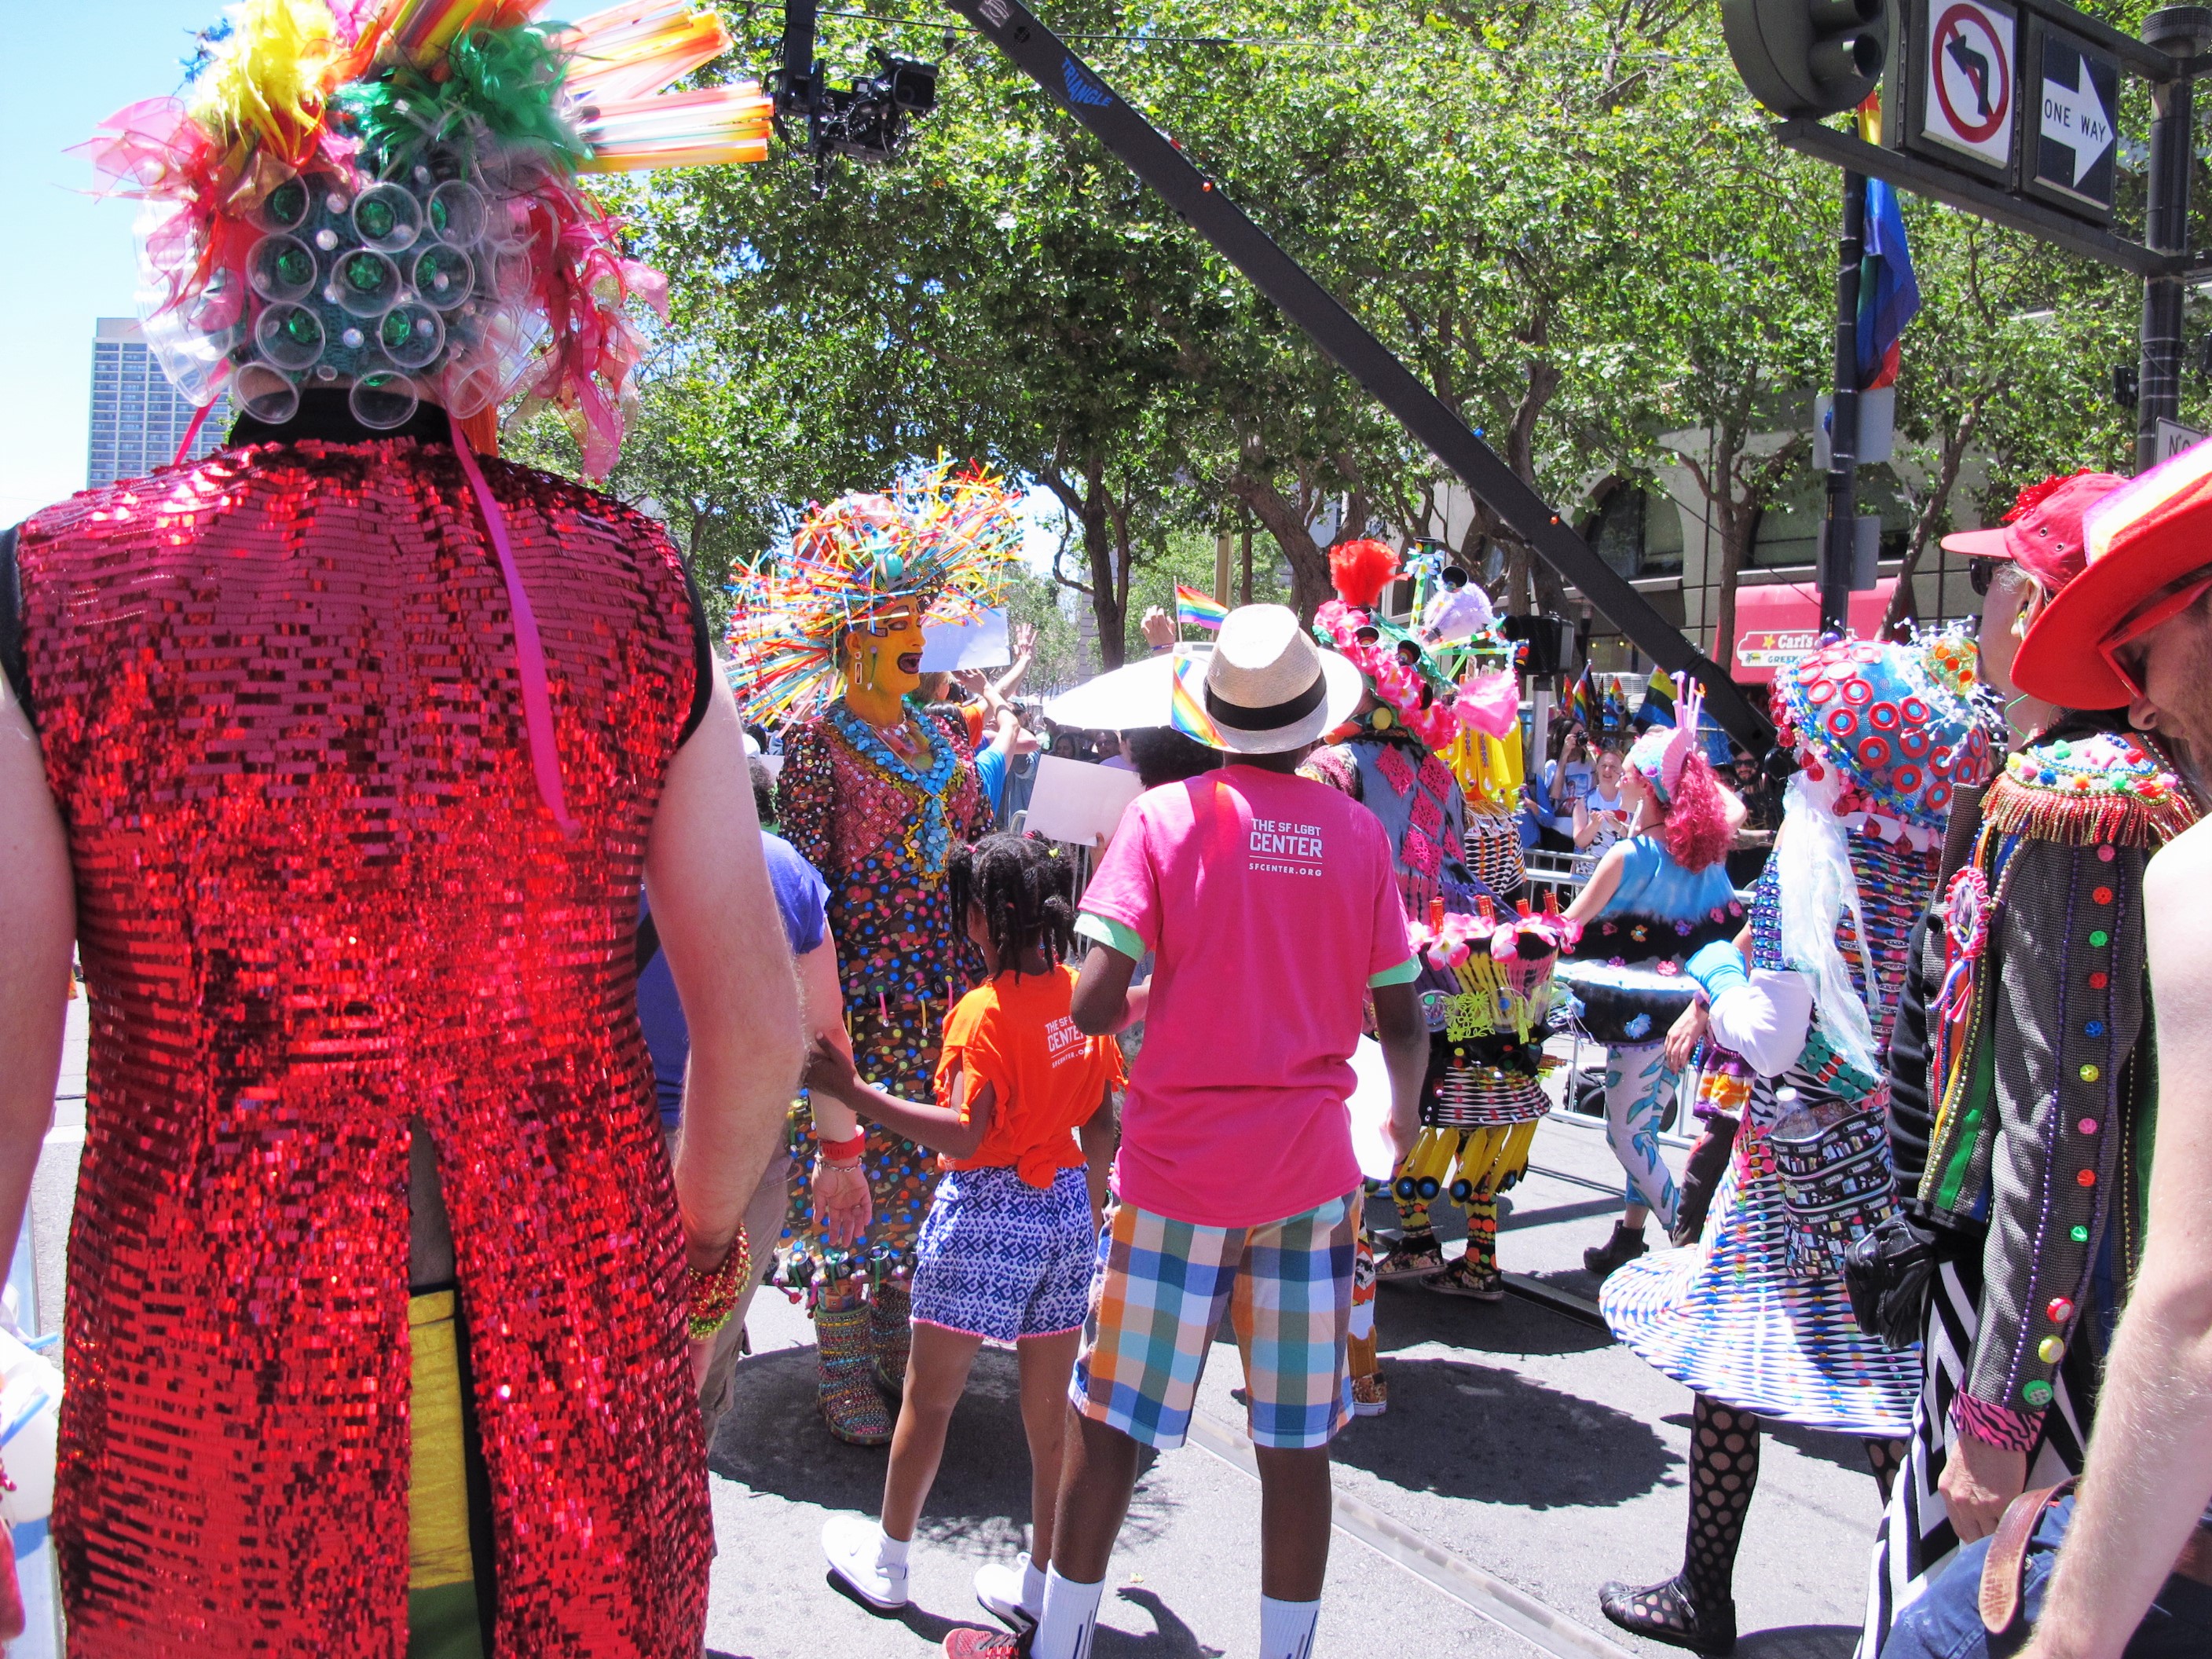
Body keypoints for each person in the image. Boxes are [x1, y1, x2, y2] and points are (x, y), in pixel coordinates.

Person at [0, 4, 802, 1650]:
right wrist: (699, 1258)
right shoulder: (631, 584)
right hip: (569, 1393)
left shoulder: (62, 591)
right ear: (507, 264)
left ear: (226, 260)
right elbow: (756, 1031)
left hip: (210, 1422)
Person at [933, 605, 1430, 1659]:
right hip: (1309, 1182)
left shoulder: (1162, 824)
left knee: (1110, 1425)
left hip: (1173, 1184)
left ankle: (1060, 1638)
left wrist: (1159, 978)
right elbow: (1401, 1020)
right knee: (1296, 1446)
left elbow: (1098, 1008)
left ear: (1211, 720)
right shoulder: (1355, 836)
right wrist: (1400, 1116)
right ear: (1312, 725)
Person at [1595, 635, 1991, 1654]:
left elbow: (1772, 1032)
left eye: (1812, 738)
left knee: (1802, 1379)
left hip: (1794, 1171)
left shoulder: (1818, 851)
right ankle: (1925, 1597)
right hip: (1884, 1163)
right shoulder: (1925, 857)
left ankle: (1908, 1609)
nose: (1796, 751)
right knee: (1845, 1382)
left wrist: (1719, 974)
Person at [1881, 444, 2212, 1659]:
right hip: (2065, 1308)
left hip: (2056, 1328)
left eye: (2141, 641)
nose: (2138, 686)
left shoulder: (2083, 799)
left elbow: (2065, 1121)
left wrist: (1999, 1399)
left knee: (1951, 1619)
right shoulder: (2093, 787)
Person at [728, 471, 1023, 1445]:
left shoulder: (943, 737)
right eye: (901, 621)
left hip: (938, 983)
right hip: (854, 986)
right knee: (844, 1160)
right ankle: (840, 1354)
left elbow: (969, 848)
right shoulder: (815, 747)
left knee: (920, 1164)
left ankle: (897, 1326)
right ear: (854, 637)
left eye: (920, 621)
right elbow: (803, 887)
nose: (919, 638)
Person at [810, 835, 1122, 1631]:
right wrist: (1085, 1207)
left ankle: (887, 1563)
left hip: (984, 1214)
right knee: (1050, 1413)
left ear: (983, 917)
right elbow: (1101, 1118)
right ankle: (1041, 1584)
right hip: (1061, 1213)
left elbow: (959, 1134)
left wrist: (853, 1091)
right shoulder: (1079, 995)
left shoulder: (981, 1014)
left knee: (930, 1396)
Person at [637, 771, 870, 1441]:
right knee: (697, 1354)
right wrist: (841, 1157)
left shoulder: (603, 852)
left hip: (607, 1137)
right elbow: (824, 1035)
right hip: (741, 1144)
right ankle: (681, 1506)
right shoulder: (783, 870)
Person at [1561, 688, 1746, 1280]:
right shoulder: (1706, 857)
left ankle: (1692, 1241)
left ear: (1642, 782)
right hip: (1693, 1015)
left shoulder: (1630, 856)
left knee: (1625, 1133)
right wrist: (1685, 762)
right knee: (1647, 1123)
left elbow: (1568, 926)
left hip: (1637, 1019)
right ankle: (1629, 1237)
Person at [1573, 743, 1632, 882]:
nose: (1607, 770)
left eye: (1613, 767)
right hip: (1589, 873)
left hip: (1622, 873)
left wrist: (1618, 826)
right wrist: (1594, 824)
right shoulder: (1584, 802)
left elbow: (1638, 836)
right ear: (1597, 768)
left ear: (1621, 771)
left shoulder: (1630, 801)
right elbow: (1580, 841)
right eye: (1604, 766)